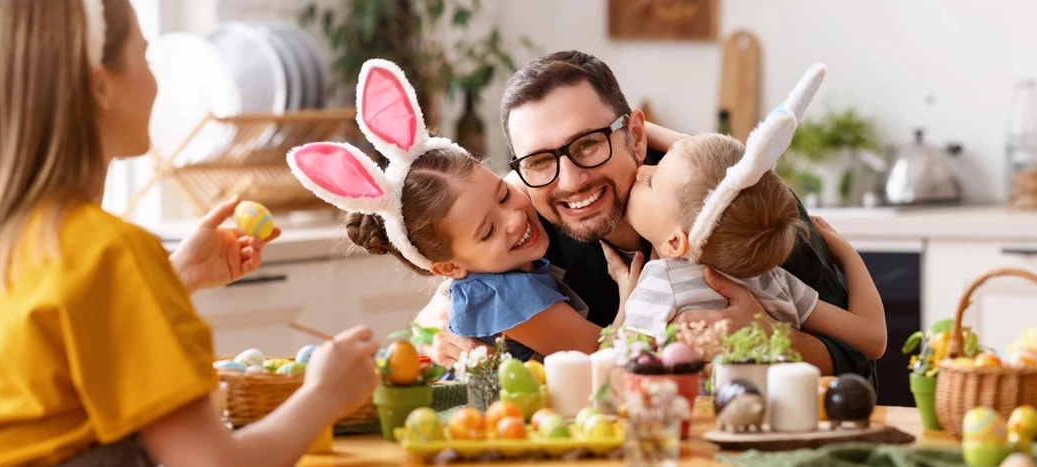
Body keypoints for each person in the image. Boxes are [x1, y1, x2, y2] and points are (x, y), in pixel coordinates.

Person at [0, 1, 378, 465]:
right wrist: (325, 396)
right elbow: (211, 464)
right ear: (101, 86)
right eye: (145, 58)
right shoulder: (108, 251)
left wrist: (170, 281)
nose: (156, 83)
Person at [415, 50, 876, 386]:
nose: (571, 180)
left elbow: (864, 366)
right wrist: (438, 331)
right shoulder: (528, 223)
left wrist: (774, 337)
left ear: (636, 136)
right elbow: (451, 288)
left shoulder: (744, 208)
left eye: (589, 143)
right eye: (538, 161)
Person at [288, 59, 618, 362]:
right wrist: (633, 289)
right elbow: (607, 351)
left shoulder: (501, 258)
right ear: (448, 266)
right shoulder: (504, 294)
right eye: (488, 231)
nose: (516, 218)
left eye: (503, 195)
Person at [623, 130, 887, 360]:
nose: (641, 170)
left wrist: (627, 298)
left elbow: (619, 370)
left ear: (675, 242)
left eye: (650, 182)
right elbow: (873, 339)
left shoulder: (659, 284)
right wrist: (849, 256)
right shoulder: (776, 283)